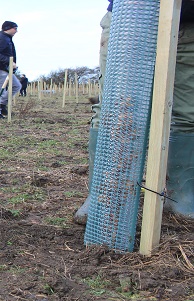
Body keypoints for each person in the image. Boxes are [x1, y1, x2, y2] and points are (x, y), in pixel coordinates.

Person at [74, 0, 194, 223]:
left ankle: (183, 196)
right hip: (129, 19)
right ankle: (104, 195)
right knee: (115, 109)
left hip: (188, 23)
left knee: (189, 113)